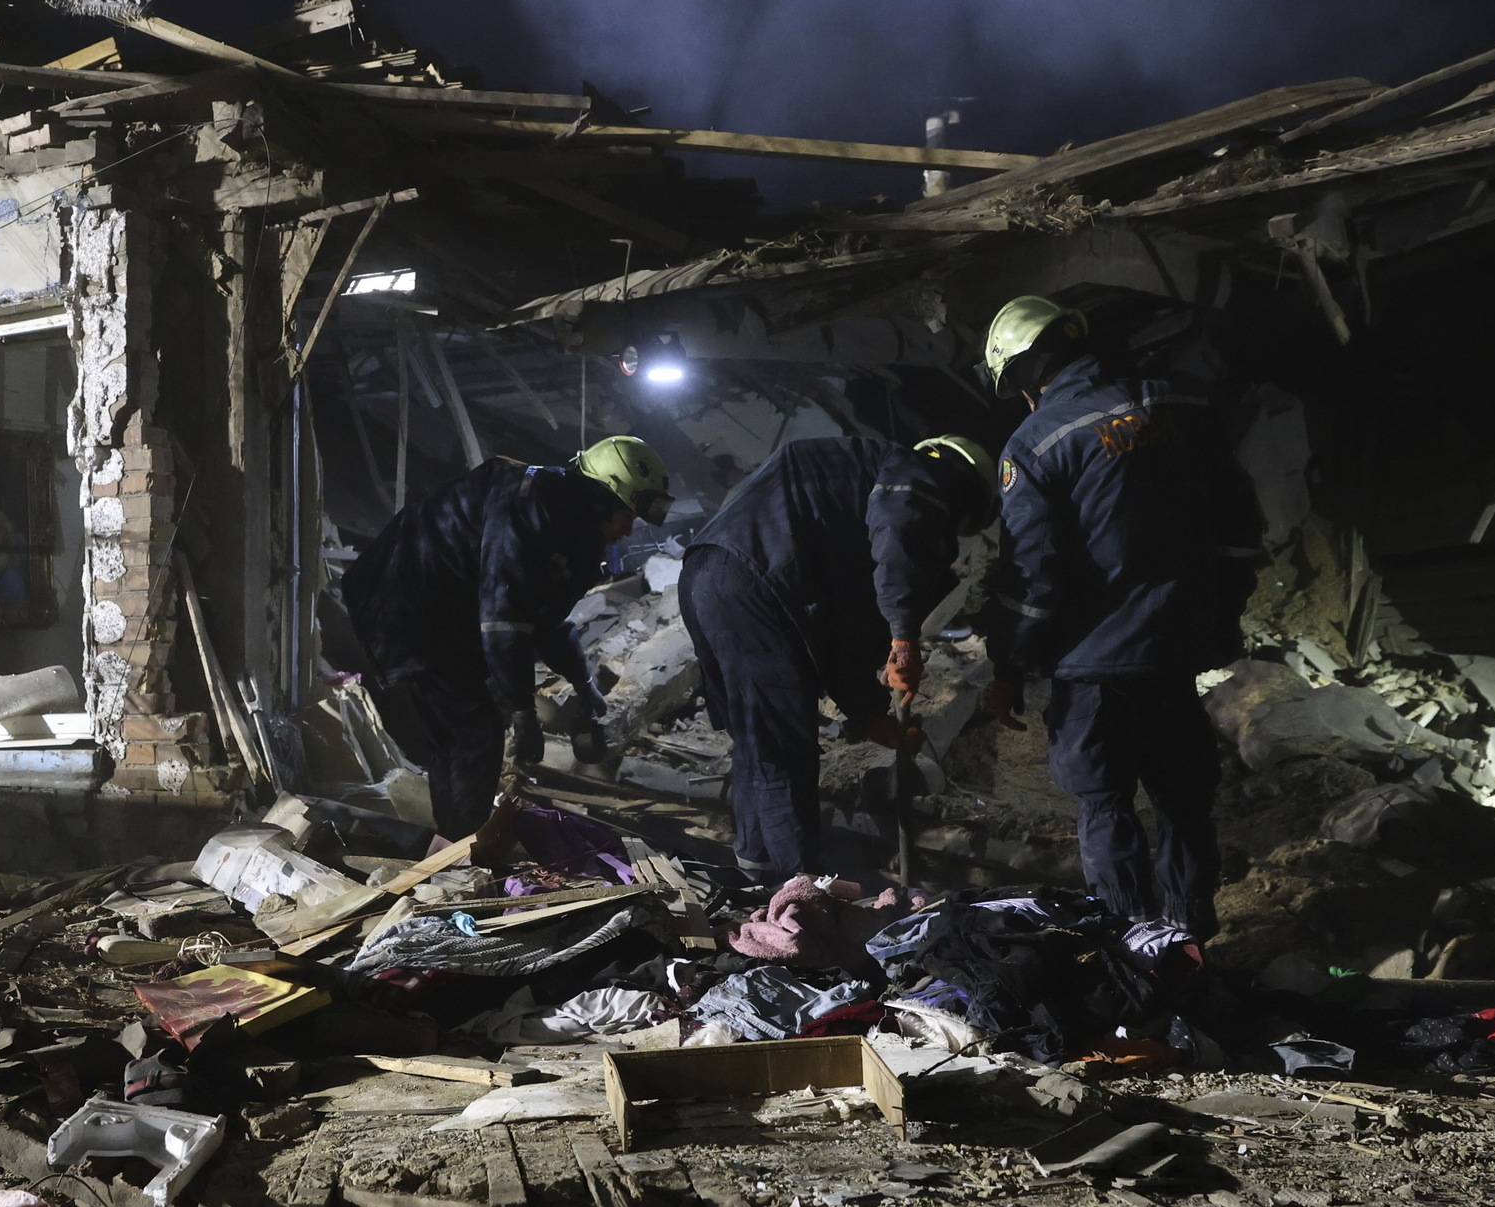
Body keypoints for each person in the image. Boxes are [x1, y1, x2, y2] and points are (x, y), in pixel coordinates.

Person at [976, 295, 1262, 939]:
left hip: (1091, 662)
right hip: (1174, 649)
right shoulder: (1184, 404)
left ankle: (1131, 943)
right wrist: (1220, 612)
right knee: (1184, 798)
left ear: (1024, 375)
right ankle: (1191, 935)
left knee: (1105, 801)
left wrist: (1009, 664)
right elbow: (1239, 526)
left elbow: (1032, 578)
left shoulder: (1037, 441)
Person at [677, 434, 992, 880]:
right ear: (965, 486)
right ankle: (803, 899)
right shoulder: (917, 472)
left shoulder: (848, 500)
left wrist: (868, 715)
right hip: (753, 583)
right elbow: (901, 532)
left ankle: (757, 869)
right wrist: (904, 637)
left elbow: (845, 632)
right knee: (785, 751)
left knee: (759, 738)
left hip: (707, 576)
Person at [341, 436, 670, 837]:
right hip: (403, 604)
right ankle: (463, 852)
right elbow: (504, 619)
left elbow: (547, 624)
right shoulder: (526, 507)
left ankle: (453, 842)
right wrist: (523, 713)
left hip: (442, 610)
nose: (630, 529)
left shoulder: (571, 528)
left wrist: (585, 687)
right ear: (603, 499)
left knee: (462, 727)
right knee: (474, 731)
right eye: (629, 515)